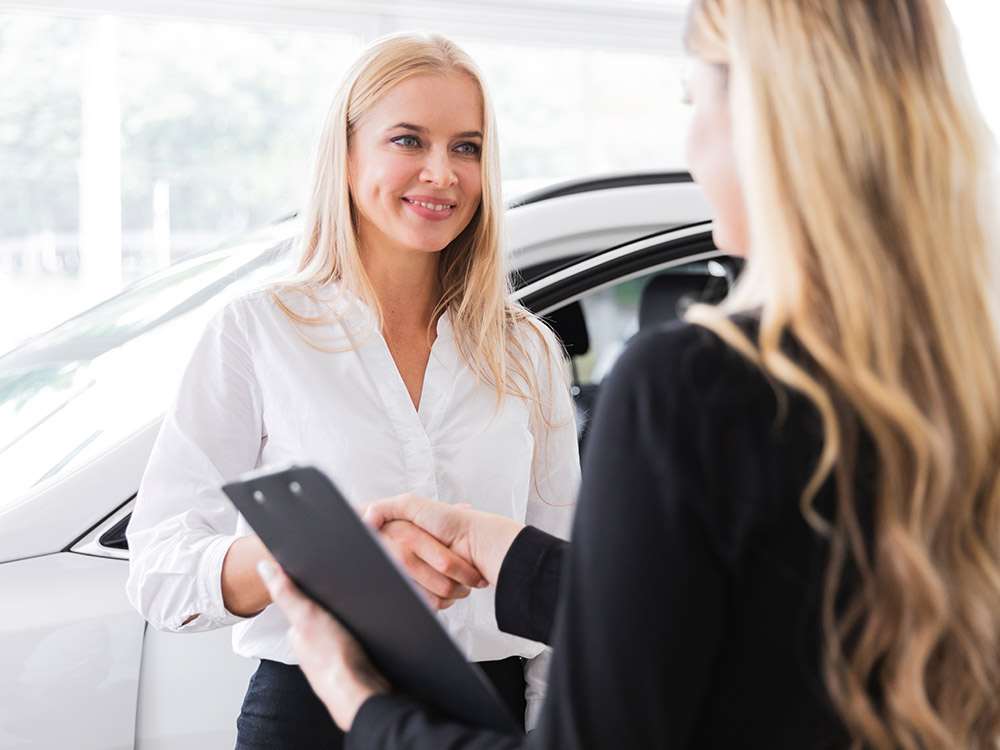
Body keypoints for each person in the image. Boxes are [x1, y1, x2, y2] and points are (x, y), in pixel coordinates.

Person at [260, 1, 1000, 748]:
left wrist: (360, 701)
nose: (690, 140)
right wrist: (514, 556)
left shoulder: (692, 386)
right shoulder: (967, 384)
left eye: (693, 99)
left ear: (767, 124)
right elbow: (736, 619)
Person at [124, 32, 579, 750]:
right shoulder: (258, 332)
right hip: (312, 715)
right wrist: (320, 559)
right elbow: (158, 572)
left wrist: (556, 726)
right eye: (409, 140)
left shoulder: (525, 352)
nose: (442, 172)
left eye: (467, 147)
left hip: (486, 715)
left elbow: (565, 573)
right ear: (344, 152)